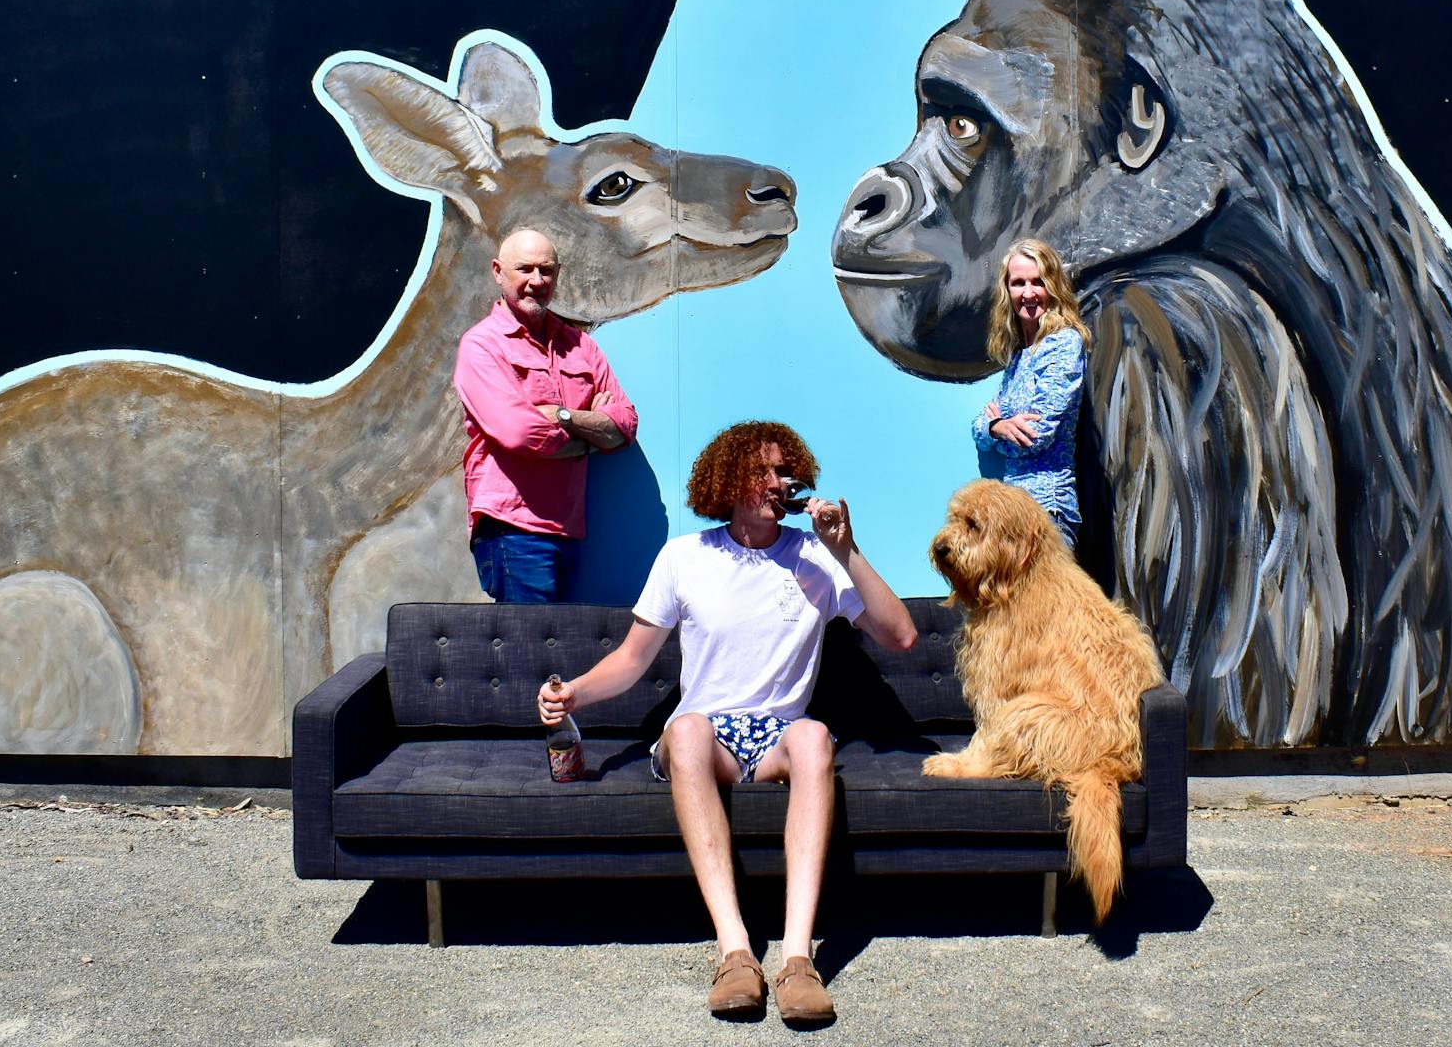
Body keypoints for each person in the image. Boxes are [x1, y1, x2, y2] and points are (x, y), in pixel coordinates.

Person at [538, 422, 915, 1026]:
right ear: (728, 480)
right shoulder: (686, 557)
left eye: (783, 472)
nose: (776, 484)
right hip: (707, 736)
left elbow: (900, 636)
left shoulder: (815, 556)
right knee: (684, 728)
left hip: (778, 736)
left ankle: (797, 959)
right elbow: (633, 659)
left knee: (815, 735)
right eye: (762, 472)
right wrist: (573, 694)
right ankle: (735, 953)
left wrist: (846, 549)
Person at [452, 227, 636, 603]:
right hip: (512, 529)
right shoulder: (482, 345)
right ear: (498, 271)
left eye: (547, 271)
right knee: (531, 657)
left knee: (556, 655)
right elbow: (519, 433)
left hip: (568, 529)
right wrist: (592, 439)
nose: (537, 281)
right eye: (525, 269)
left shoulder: (579, 345)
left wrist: (563, 416)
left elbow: (626, 424)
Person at [972, 238, 1092, 547]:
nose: (1028, 293)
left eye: (1038, 282)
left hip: (1046, 513)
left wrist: (998, 431)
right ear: (1007, 290)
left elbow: (1035, 436)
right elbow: (979, 428)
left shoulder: (1063, 344)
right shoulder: (1018, 356)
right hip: (1011, 513)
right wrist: (998, 427)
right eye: (1019, 283)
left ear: (1053, 287)